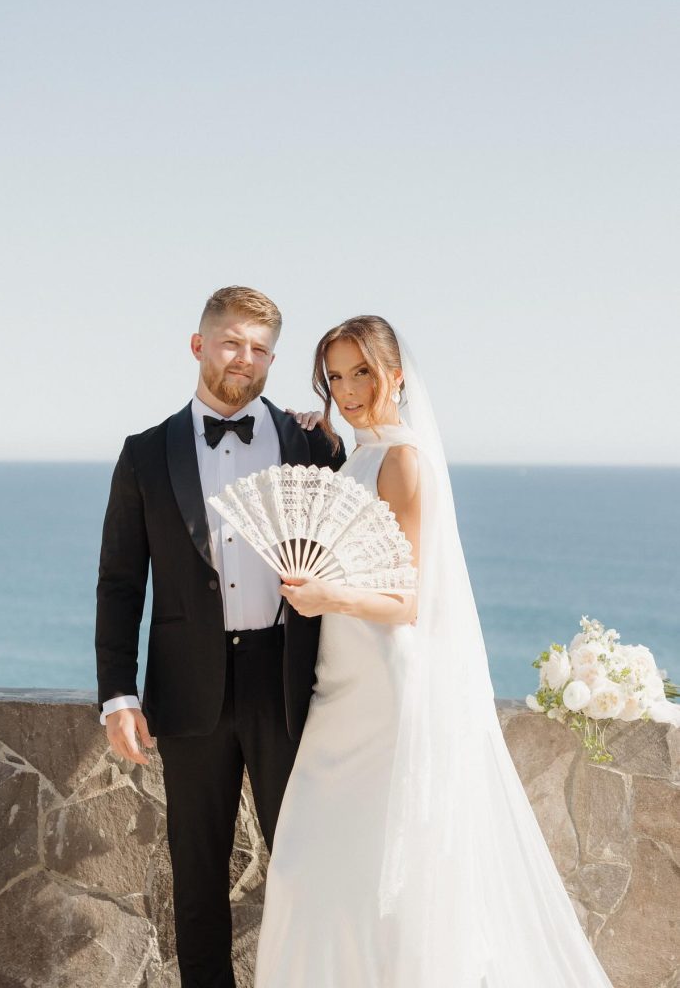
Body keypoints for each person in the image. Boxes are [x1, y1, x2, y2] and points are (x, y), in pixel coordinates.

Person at [254, 315, 615, 987]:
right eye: (335, 376)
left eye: (361, 371)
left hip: (383, 694)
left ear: (395, 374)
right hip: (338, 687)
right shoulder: (354, 455)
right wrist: (319, 437)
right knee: (310, 868)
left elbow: (409, 603)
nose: (349, 388)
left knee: (376, 878)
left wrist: (327, 597)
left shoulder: (401, 460)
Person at [93, 286, 345, 988]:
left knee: (303, 864)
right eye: (231, 342)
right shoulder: (144, 454)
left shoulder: (312, 443)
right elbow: (120, 583)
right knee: (197, 875)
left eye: (260, 348)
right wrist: (117, 692)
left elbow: (349, 547)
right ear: (199, 345)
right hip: (187, 688)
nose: (245, 358)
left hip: (287, 682)